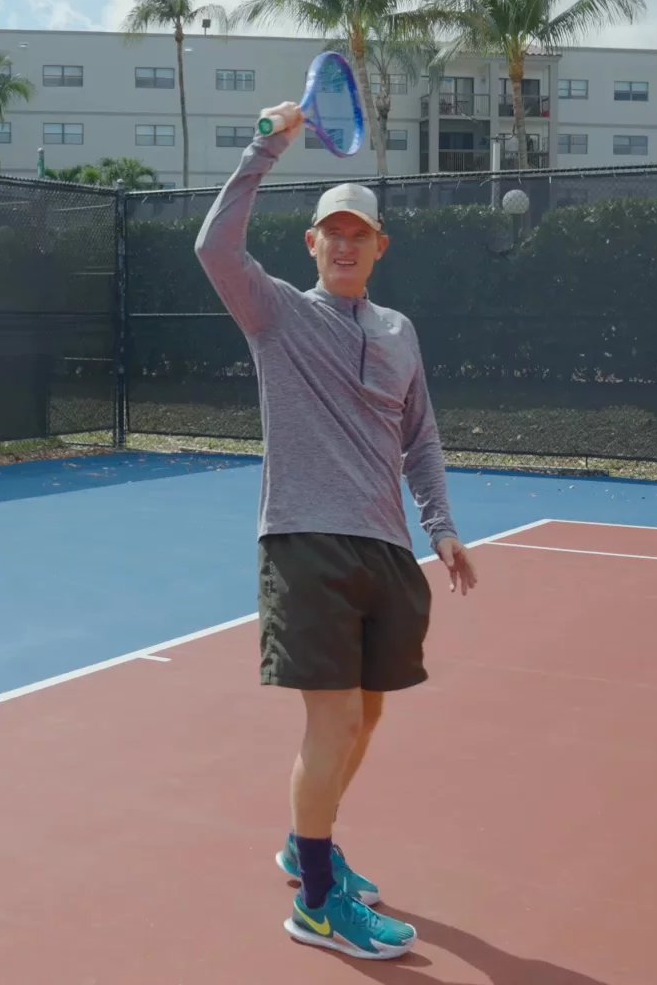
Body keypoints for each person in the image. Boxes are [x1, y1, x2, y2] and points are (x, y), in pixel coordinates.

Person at [192, 100, 476, 961]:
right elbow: (212, 247)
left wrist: (444, 527)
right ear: (311, 245)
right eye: (331, 233)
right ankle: (316, 903)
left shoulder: (399, 333)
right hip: (305, 539)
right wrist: (267, 143)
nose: (346, 244)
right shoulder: (276, 315)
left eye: (361, 233)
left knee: (370, 716)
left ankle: (304, 847)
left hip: (386, 549)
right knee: (335, 720)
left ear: (380, 246)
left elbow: (419, 435)